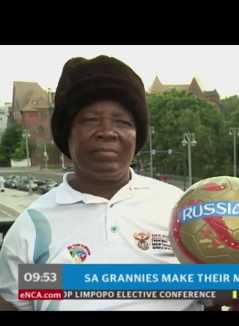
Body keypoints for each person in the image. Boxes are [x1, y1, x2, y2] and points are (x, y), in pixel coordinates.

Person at [0, 55, 202, 311]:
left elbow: (220, 294)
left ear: (137, 135)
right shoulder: (30, 229)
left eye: (122, 122)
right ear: (66, 132)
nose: (107, 131)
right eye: (91, 120)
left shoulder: (180, 208)